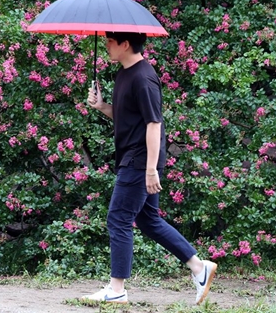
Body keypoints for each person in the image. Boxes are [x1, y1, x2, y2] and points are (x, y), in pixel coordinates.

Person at [82, 31, 217, 305]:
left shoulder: (144, 78)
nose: (106, 45)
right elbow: (128, 118)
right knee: (148, 220)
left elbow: (154, 124)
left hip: (141, 161)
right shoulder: (124, 74)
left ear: (125, 44)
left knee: (118, 218)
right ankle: (199, 267)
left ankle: (117, 290)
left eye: (110, 41)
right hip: (136, 159)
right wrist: (102, 106)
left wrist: (151, 169)